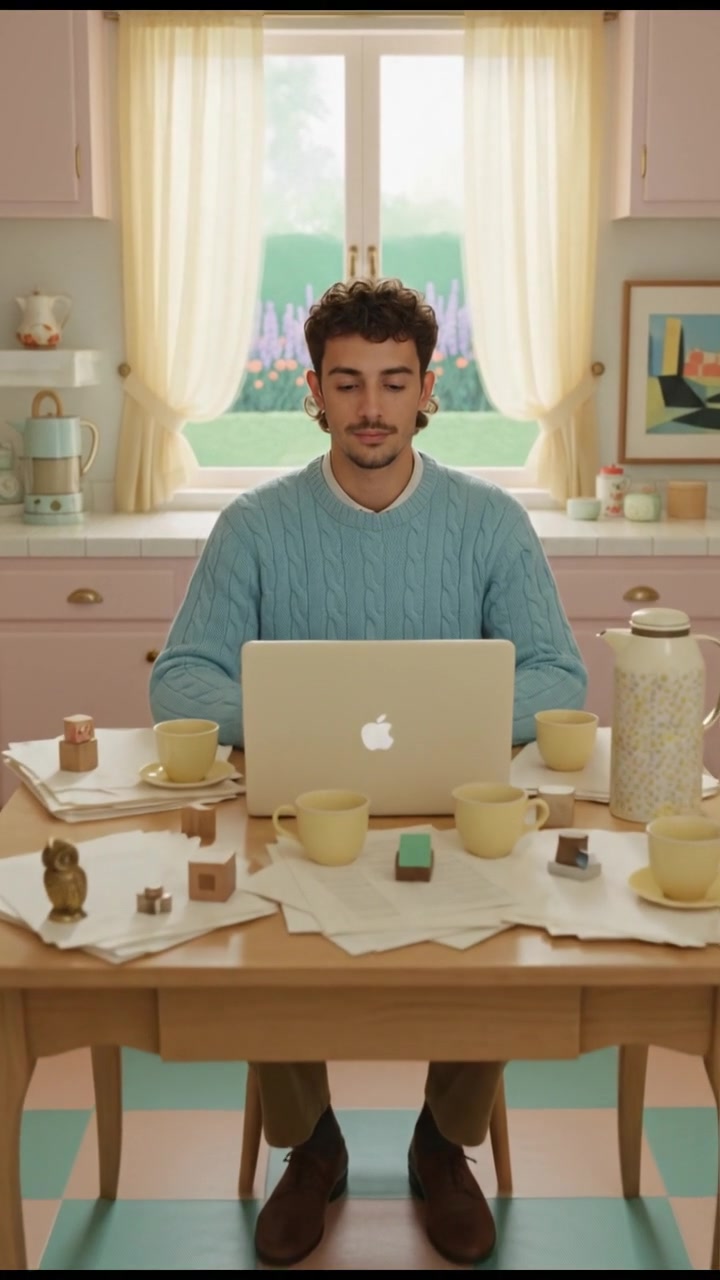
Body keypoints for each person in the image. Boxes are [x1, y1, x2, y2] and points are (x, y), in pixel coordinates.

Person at [150, 278, 587, 1267]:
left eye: (395, 382)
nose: (373, 408)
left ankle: (444, 1138)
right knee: (259, 927)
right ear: (313, 389)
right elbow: (181, 679)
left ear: (428, 385)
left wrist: (462, 718)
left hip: (455, 801)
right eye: (349, 384)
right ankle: (311, 1145)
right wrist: (305, 728)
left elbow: (561, 669)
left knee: (504, 915)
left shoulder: (488, 520)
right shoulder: (255, 524)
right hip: (298, 811)